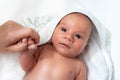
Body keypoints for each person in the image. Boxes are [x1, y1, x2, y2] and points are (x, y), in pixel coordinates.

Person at [21, 12, 94, 80]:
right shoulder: (44, 48)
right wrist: (28, 53)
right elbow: (27, 67)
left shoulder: (79, 66)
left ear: (85, 46)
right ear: (53, 29)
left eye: (78, 36)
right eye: (64, 29)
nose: (68, 37)